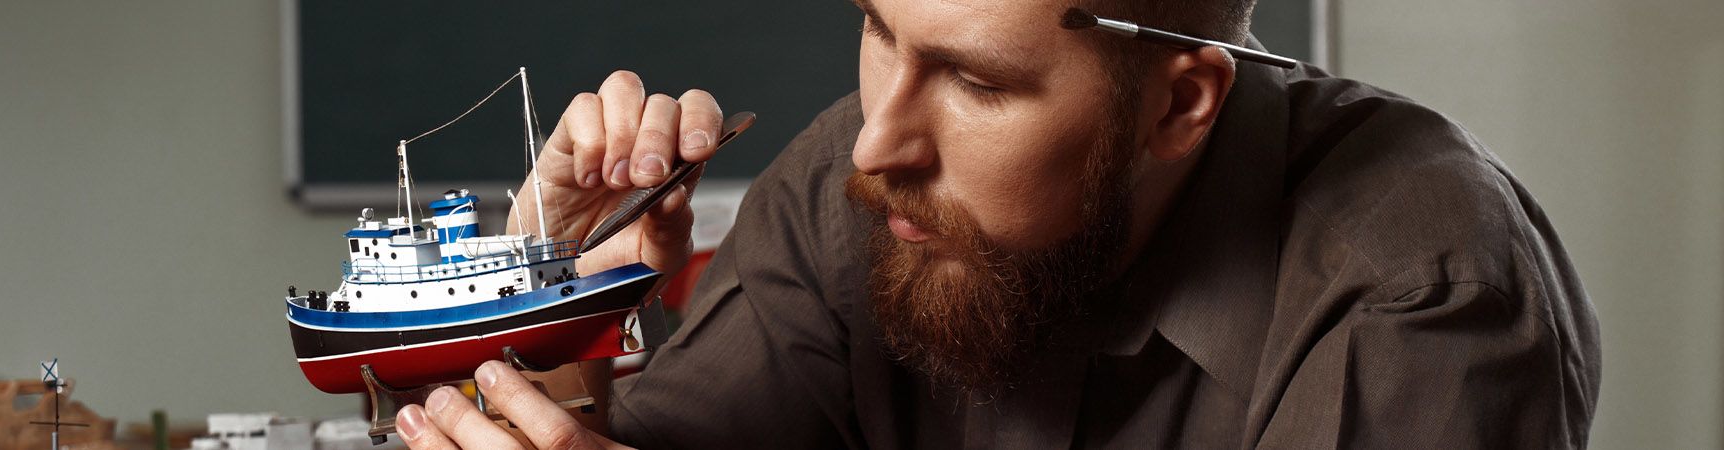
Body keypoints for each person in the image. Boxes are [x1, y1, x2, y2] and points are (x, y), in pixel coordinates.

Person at [394, 0, 1600, 448]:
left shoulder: (1421, 295)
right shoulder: (846, 188)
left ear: (1181, 101)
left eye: (978, 83)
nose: (878, 142)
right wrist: (549, 326)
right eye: (876, 29)